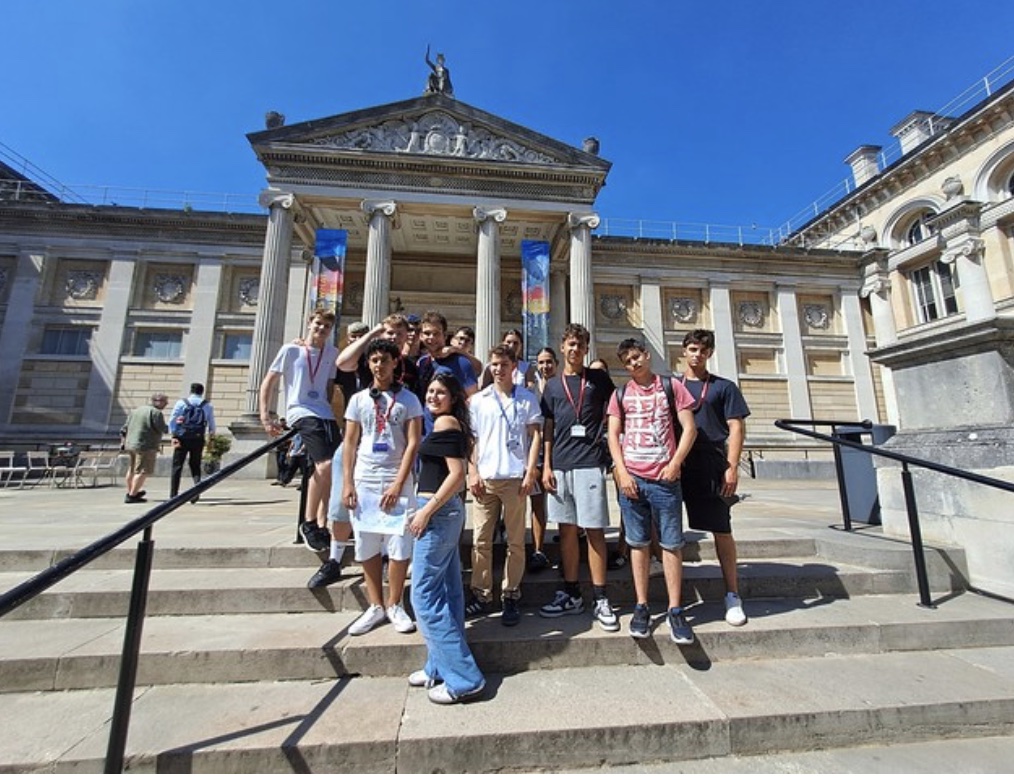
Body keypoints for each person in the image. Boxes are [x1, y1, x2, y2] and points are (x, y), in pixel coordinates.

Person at [607, 337, 698, 643]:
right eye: (628, 361)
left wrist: (675, 463)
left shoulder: (672, 387)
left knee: (671, 545)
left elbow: (690, 428)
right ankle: (642, 606)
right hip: (633, 480)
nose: (634, 363)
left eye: (636, 357)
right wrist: (621, 472)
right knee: (637, 544)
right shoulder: (620, 394)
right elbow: (613, 435)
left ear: (647, 355)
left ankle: (675, 609)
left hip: (665, 480)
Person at [408, 373, 486, 705]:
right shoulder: (447, 423)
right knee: (448, 591)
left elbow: (456, 475)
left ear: (453, 397)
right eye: (430, 391)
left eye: (440, 392)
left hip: (438, 514)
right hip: (444, 513)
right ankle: (439, 666)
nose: (433, 396)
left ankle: (464, 678)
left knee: (423, 596)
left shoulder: (445, 423)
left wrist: (426, 511)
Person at [538, 324, 619, 632]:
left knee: (594, 530)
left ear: (586, 349)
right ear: (562, 347)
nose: (575, 349)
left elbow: (615, 412)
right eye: (570, 344)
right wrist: (546, 465)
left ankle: (600, 596)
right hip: (560, 465)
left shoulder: (599, 379)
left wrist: (608, 446)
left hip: (589, 463)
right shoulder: (552, 385)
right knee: (567, 531)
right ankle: (571, 592)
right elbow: (548, 427)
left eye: (580, 345)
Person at [342, 338, 423, 635]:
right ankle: (375, 605)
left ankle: (395, 603)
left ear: (395, 363)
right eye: (375, 360)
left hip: (396, 478)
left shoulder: (409, 400)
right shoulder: (358, 400)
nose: (379, 365)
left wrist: (399, 483)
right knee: (367, 542)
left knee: (399, 543)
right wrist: (347, 482)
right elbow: (350, 442)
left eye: (385, 360)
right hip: (365, 479)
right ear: (369, 364)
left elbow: (413, 443)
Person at [678, 329, 752, 626]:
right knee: (664, 525)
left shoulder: (724, 387)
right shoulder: (672, 386)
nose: (697, 354)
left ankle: (732, 593)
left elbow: (736, 427)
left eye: (703, 350)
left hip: (711, 462)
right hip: (678, 462)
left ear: (709, 354)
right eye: (693, 349)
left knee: (722, 528)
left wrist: (731, 466)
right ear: (684, 351)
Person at [466, 345, 543, 626]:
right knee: (481, 540)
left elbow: (535, 436)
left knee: (515, 541)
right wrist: (472, 472)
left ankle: (511, 593)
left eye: (504, 364)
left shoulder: (526, 398)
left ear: (514, 367)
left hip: (514, 478)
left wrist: (530, 471)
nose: (498, 369)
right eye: (494, 364)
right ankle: (482, 593)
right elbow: (472, 439)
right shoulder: (479, 400)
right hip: (485, 478)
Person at [259, 309, 342, 558]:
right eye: (318, 324)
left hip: (325, 413)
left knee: (333, 467)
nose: (321, 329)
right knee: (324, 465)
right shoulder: (290, 350)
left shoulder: (332, 353)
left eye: (327, 326)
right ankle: (308, 522)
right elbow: (269, 382)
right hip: (300, 411)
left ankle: (322, 522)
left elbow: (329, 386)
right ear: (309, 323)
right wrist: (266, 416)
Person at [527, 347, 558, 572]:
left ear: (556, 363)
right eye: (541, 362)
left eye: (548, 362)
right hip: (536, 451)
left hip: (562, 449)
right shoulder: (531, 391)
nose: (545, 366)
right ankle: (538, 549)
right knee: (537, 502)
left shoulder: (563, 386)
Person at [415, 311, 479, 404]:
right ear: (421, 336)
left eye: (436, 333)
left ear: (445, 336)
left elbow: (474, 398)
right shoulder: (422, 363)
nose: (431, 337)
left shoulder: (460, 362)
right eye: (427, 333)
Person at [168, 382, 216, 503]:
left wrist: (173, 435)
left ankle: (173, 495)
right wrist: (211, 437)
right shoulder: (207, 405)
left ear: (191, 391)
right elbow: (211, 424)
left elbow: (172, 419)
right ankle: (196, 490)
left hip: (182, 437)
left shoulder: (181, 403)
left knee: (177, 466)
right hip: (198, 438)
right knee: (195, 465)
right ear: (202, 392)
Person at [120, 392, 169, 504]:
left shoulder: (136, 411)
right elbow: (162, 428)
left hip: (131, 444)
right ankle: (132, 496)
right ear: (158, 401)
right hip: (146, 445)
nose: (166, 404)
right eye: (165, 402)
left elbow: (124, 428)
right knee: (142, 470)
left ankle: (132, 491)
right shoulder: (156, 413)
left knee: (132, 469)